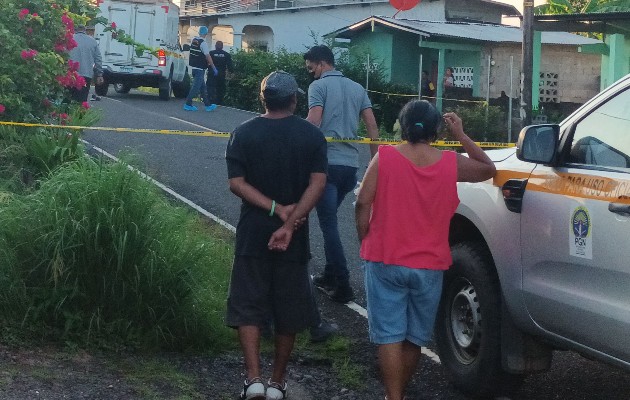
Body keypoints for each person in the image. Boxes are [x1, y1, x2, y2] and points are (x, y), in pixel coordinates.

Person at [355, 100, 496, 400]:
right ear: (436, 129)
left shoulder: (385, 157)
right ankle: (398, 395)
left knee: (389, 336)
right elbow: (488, 168)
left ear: (402, 127)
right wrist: (461, 135)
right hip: (429, 264)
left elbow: (362, 203)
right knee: (413, 338)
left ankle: (393, 397)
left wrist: (363, 236)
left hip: (385, 258)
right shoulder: (449, 162)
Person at [225, 70, 327, 400]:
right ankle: (278, 383)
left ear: (263, 98)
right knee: (289, 306)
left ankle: (253, 378)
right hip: (294, 236)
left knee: (248, 302)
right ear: (295, 100)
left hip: (253, 230)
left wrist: (274, 210)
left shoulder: (243, 133)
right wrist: (291, 219)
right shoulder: (312, 137)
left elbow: (236, 183)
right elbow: (318, 183)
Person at [303, 44, 379, 304]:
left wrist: (293, 141)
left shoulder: (319, 87)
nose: (310, 71)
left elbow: (313, 122)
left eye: (311, 66)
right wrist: (375, 161)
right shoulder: (358, 88)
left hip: (326, 166)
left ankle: (343, 283)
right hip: (350, 167)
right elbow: (371, 126)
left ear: (322, 63)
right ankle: (328, 273)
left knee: (328, 225)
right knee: (330, 218)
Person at [184, 26, 218, 112]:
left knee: (203, 88)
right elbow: (208, 56)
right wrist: (214, 67)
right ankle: (188, 104)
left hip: (194, 67)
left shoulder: (194, 40)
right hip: (200, 68)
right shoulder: (203, 43)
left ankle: (208, 105)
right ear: (206, 34)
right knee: (195, 87)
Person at [68, 25, 103, 103]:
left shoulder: (69, 38)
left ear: (75, 30)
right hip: (86, 75)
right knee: (82, 100)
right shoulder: (92, 41)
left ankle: (67, 114)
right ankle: (80, 114)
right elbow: (98, 59)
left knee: (68, 99)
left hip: (70, 74)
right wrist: (99, 74)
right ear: (85, 31)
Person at [206, 41, 233, 105]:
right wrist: (231, 73)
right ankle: (219, 102)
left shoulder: (211, 53)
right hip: (221, 75)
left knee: (210, 87)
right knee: (220, 89)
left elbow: (206, 63)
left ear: (215, 46)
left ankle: (211, 101)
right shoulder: (227, 55)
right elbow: (230, 67)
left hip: (212, 74)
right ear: (222, 47)